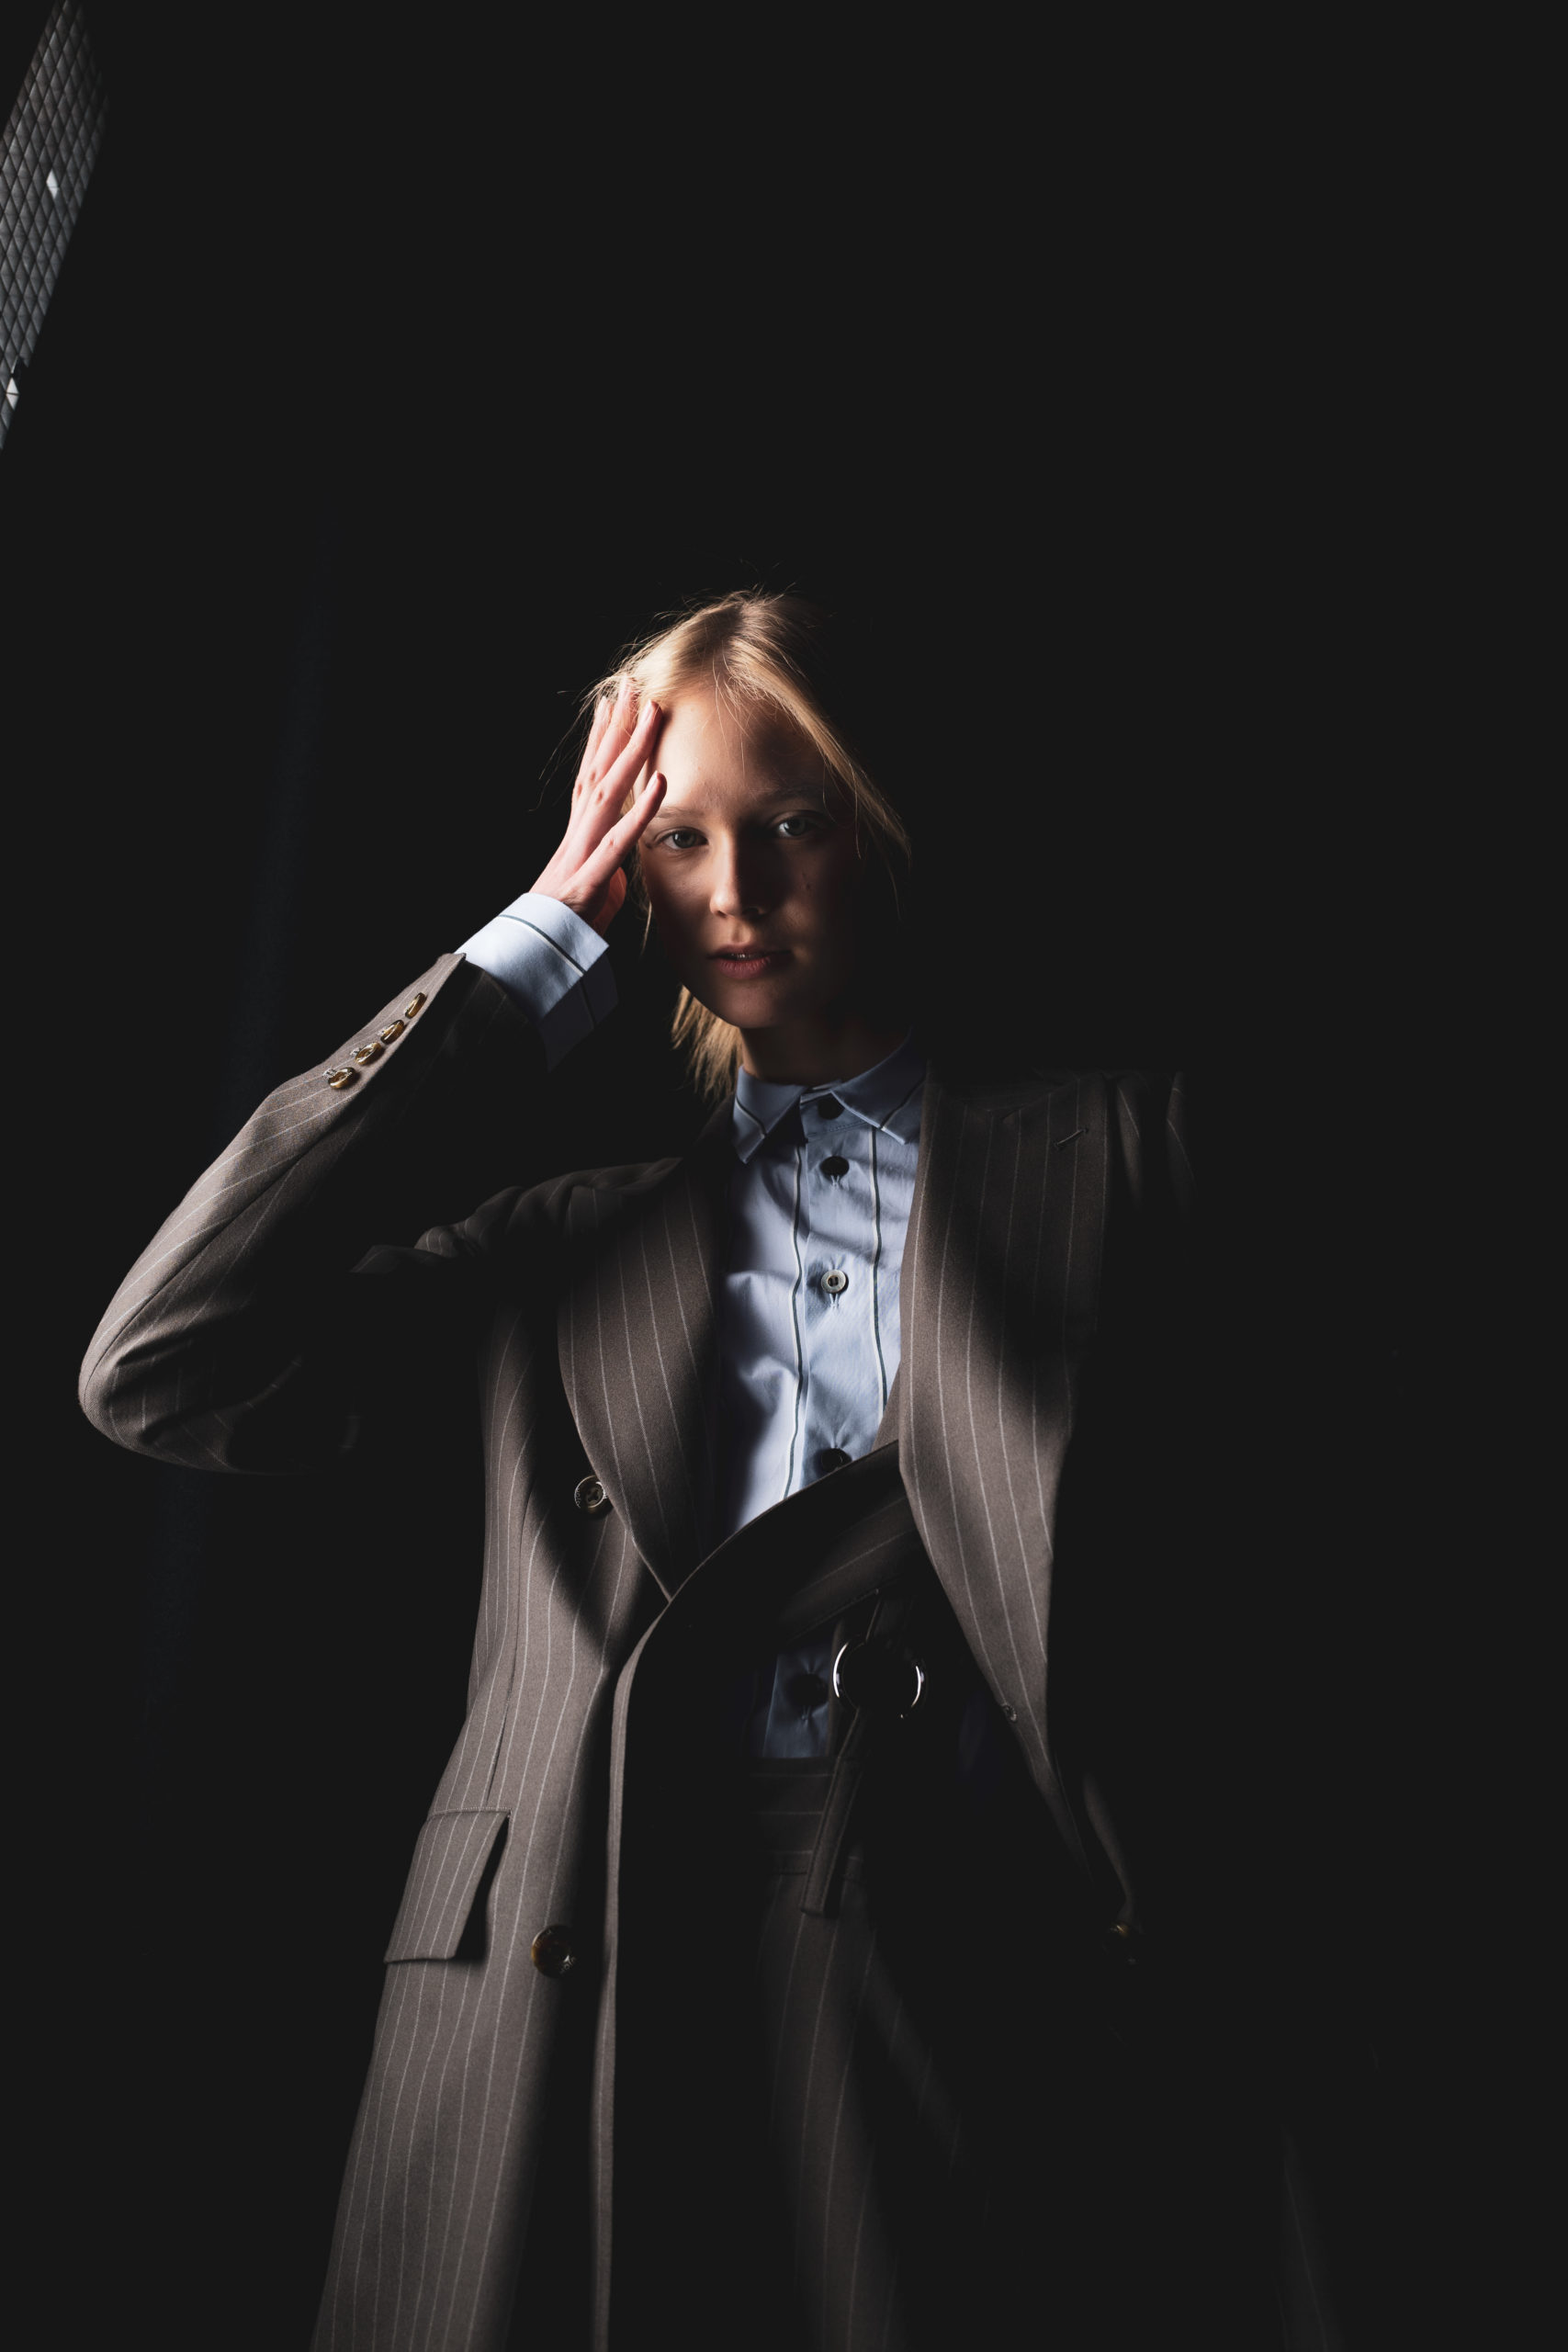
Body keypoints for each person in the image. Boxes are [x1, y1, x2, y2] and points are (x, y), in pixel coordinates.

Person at [80, 591, 1340, 2350]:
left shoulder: (1137, 1157)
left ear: (882, 824)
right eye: (676, 839)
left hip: (952, 1977)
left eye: (792, 822)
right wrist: (517, 964)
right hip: (549, 1970)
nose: (736, 889)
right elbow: (163, 1364)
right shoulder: (561, 1247)